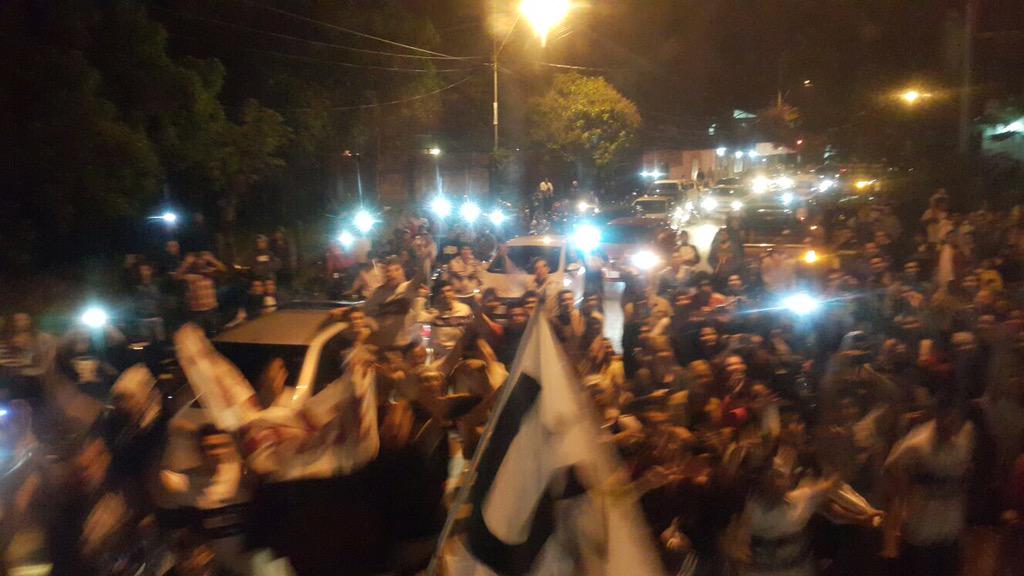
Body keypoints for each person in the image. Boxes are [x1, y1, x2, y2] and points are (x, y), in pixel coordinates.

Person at [884, 399, 974, 576]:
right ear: (938, 417)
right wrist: (903, 498)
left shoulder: (965, 438)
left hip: (950, 532)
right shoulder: (917, 444)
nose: (951, 424)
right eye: (947, 418)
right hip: (921, 534)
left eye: (955, 420)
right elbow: (891, 468)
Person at [362, 258, 422, 351]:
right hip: (382, 347)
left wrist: (425, 257)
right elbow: (364, 313)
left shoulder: (407, 288)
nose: (392, 274)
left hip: (405, 346)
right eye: (388, 271)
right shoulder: (377, 293)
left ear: (403, 272)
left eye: (397, 269)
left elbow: (422, 276)